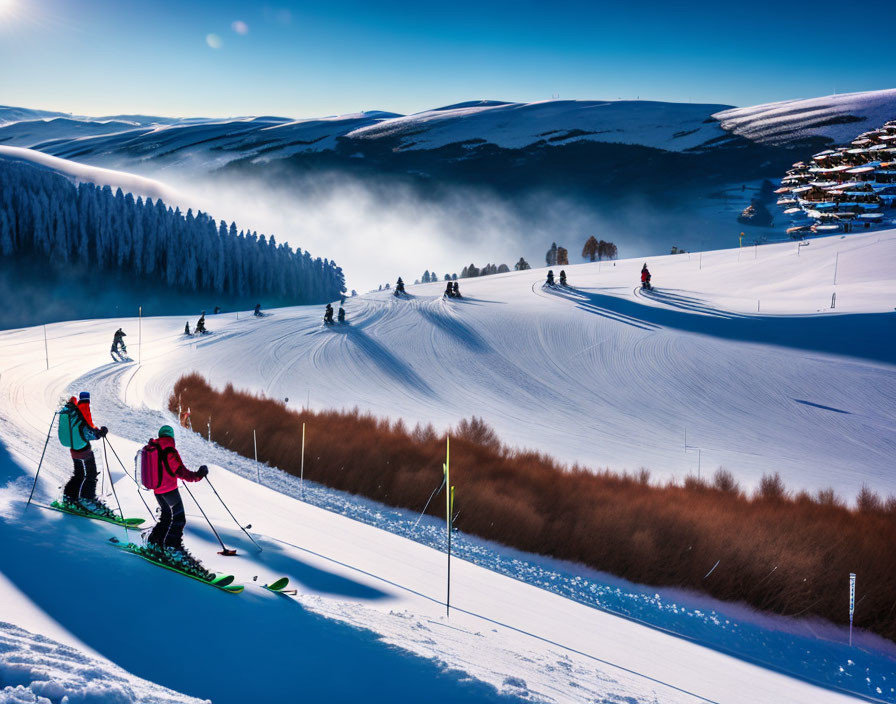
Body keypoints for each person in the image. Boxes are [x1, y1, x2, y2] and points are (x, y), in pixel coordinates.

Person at [144, 425, 210, 576]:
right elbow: (180, 471)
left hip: (158, 491)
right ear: (171, 437)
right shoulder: (169, 450)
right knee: (179, 519)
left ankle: (155, 542)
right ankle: (173, 548)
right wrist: (199, 475)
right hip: (169, 490)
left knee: (166, 517)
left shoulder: (154, 447)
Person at [60, 392, 111, 515]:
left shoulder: (66, 412)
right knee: (91, 474)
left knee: (79, 474)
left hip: (73, 448)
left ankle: (69, 497)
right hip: (83, 449)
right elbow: (87, 430)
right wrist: (100, 433)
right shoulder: (80, 411)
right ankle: (88, 500)